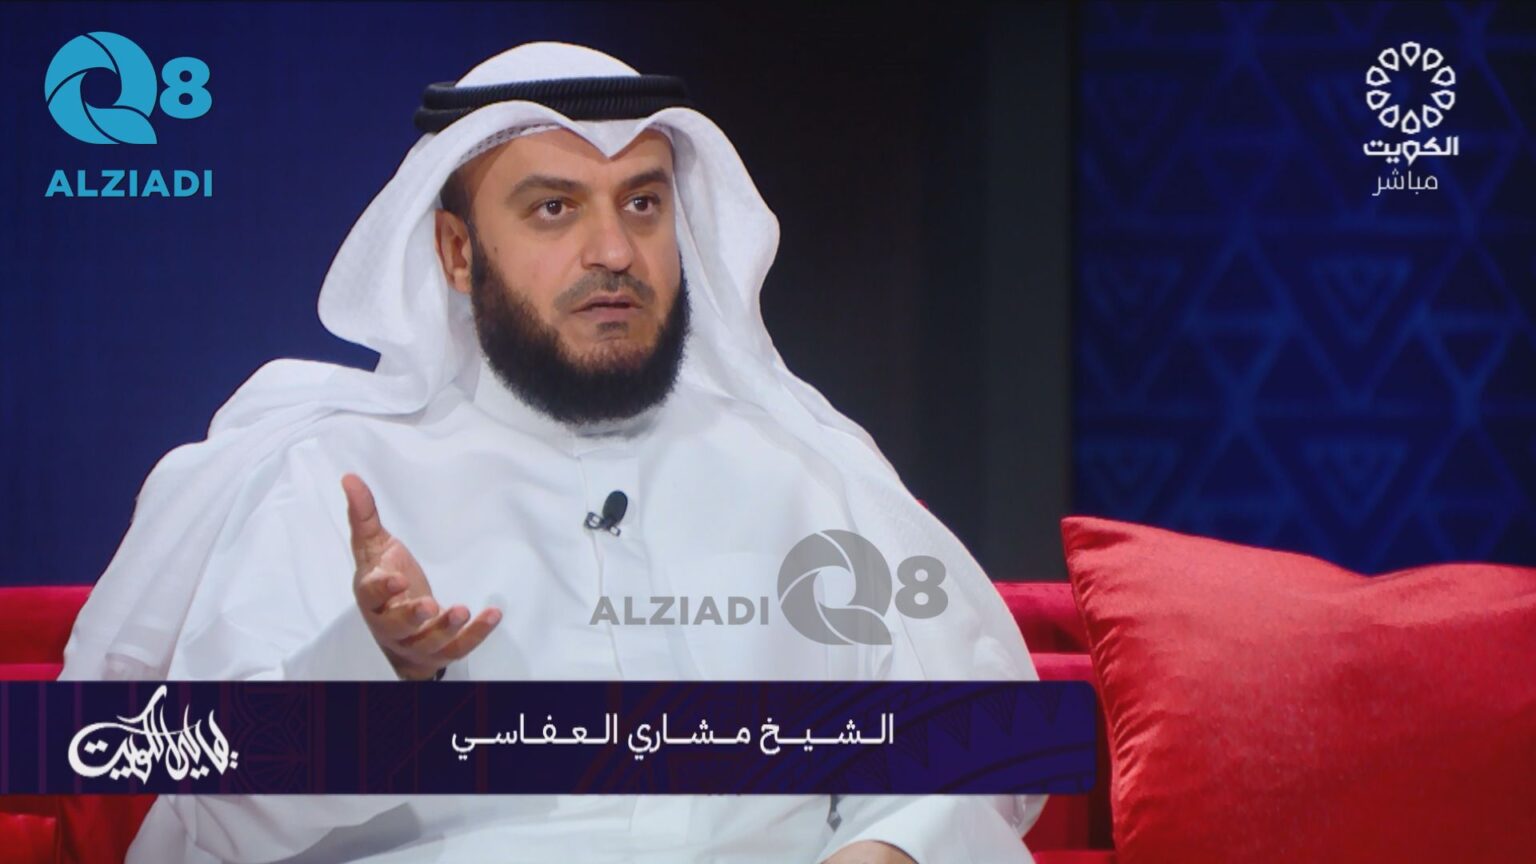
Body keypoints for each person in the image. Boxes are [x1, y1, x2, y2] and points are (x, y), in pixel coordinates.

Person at [60, 41, 1045, 864]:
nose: (614, 251)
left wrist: (895, 846)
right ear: (456, 253)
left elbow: (975, 752)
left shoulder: (799, 472)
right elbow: (210, 819)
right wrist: (375, 668)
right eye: (554, 208)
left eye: (643, 204)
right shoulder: (334, 472)